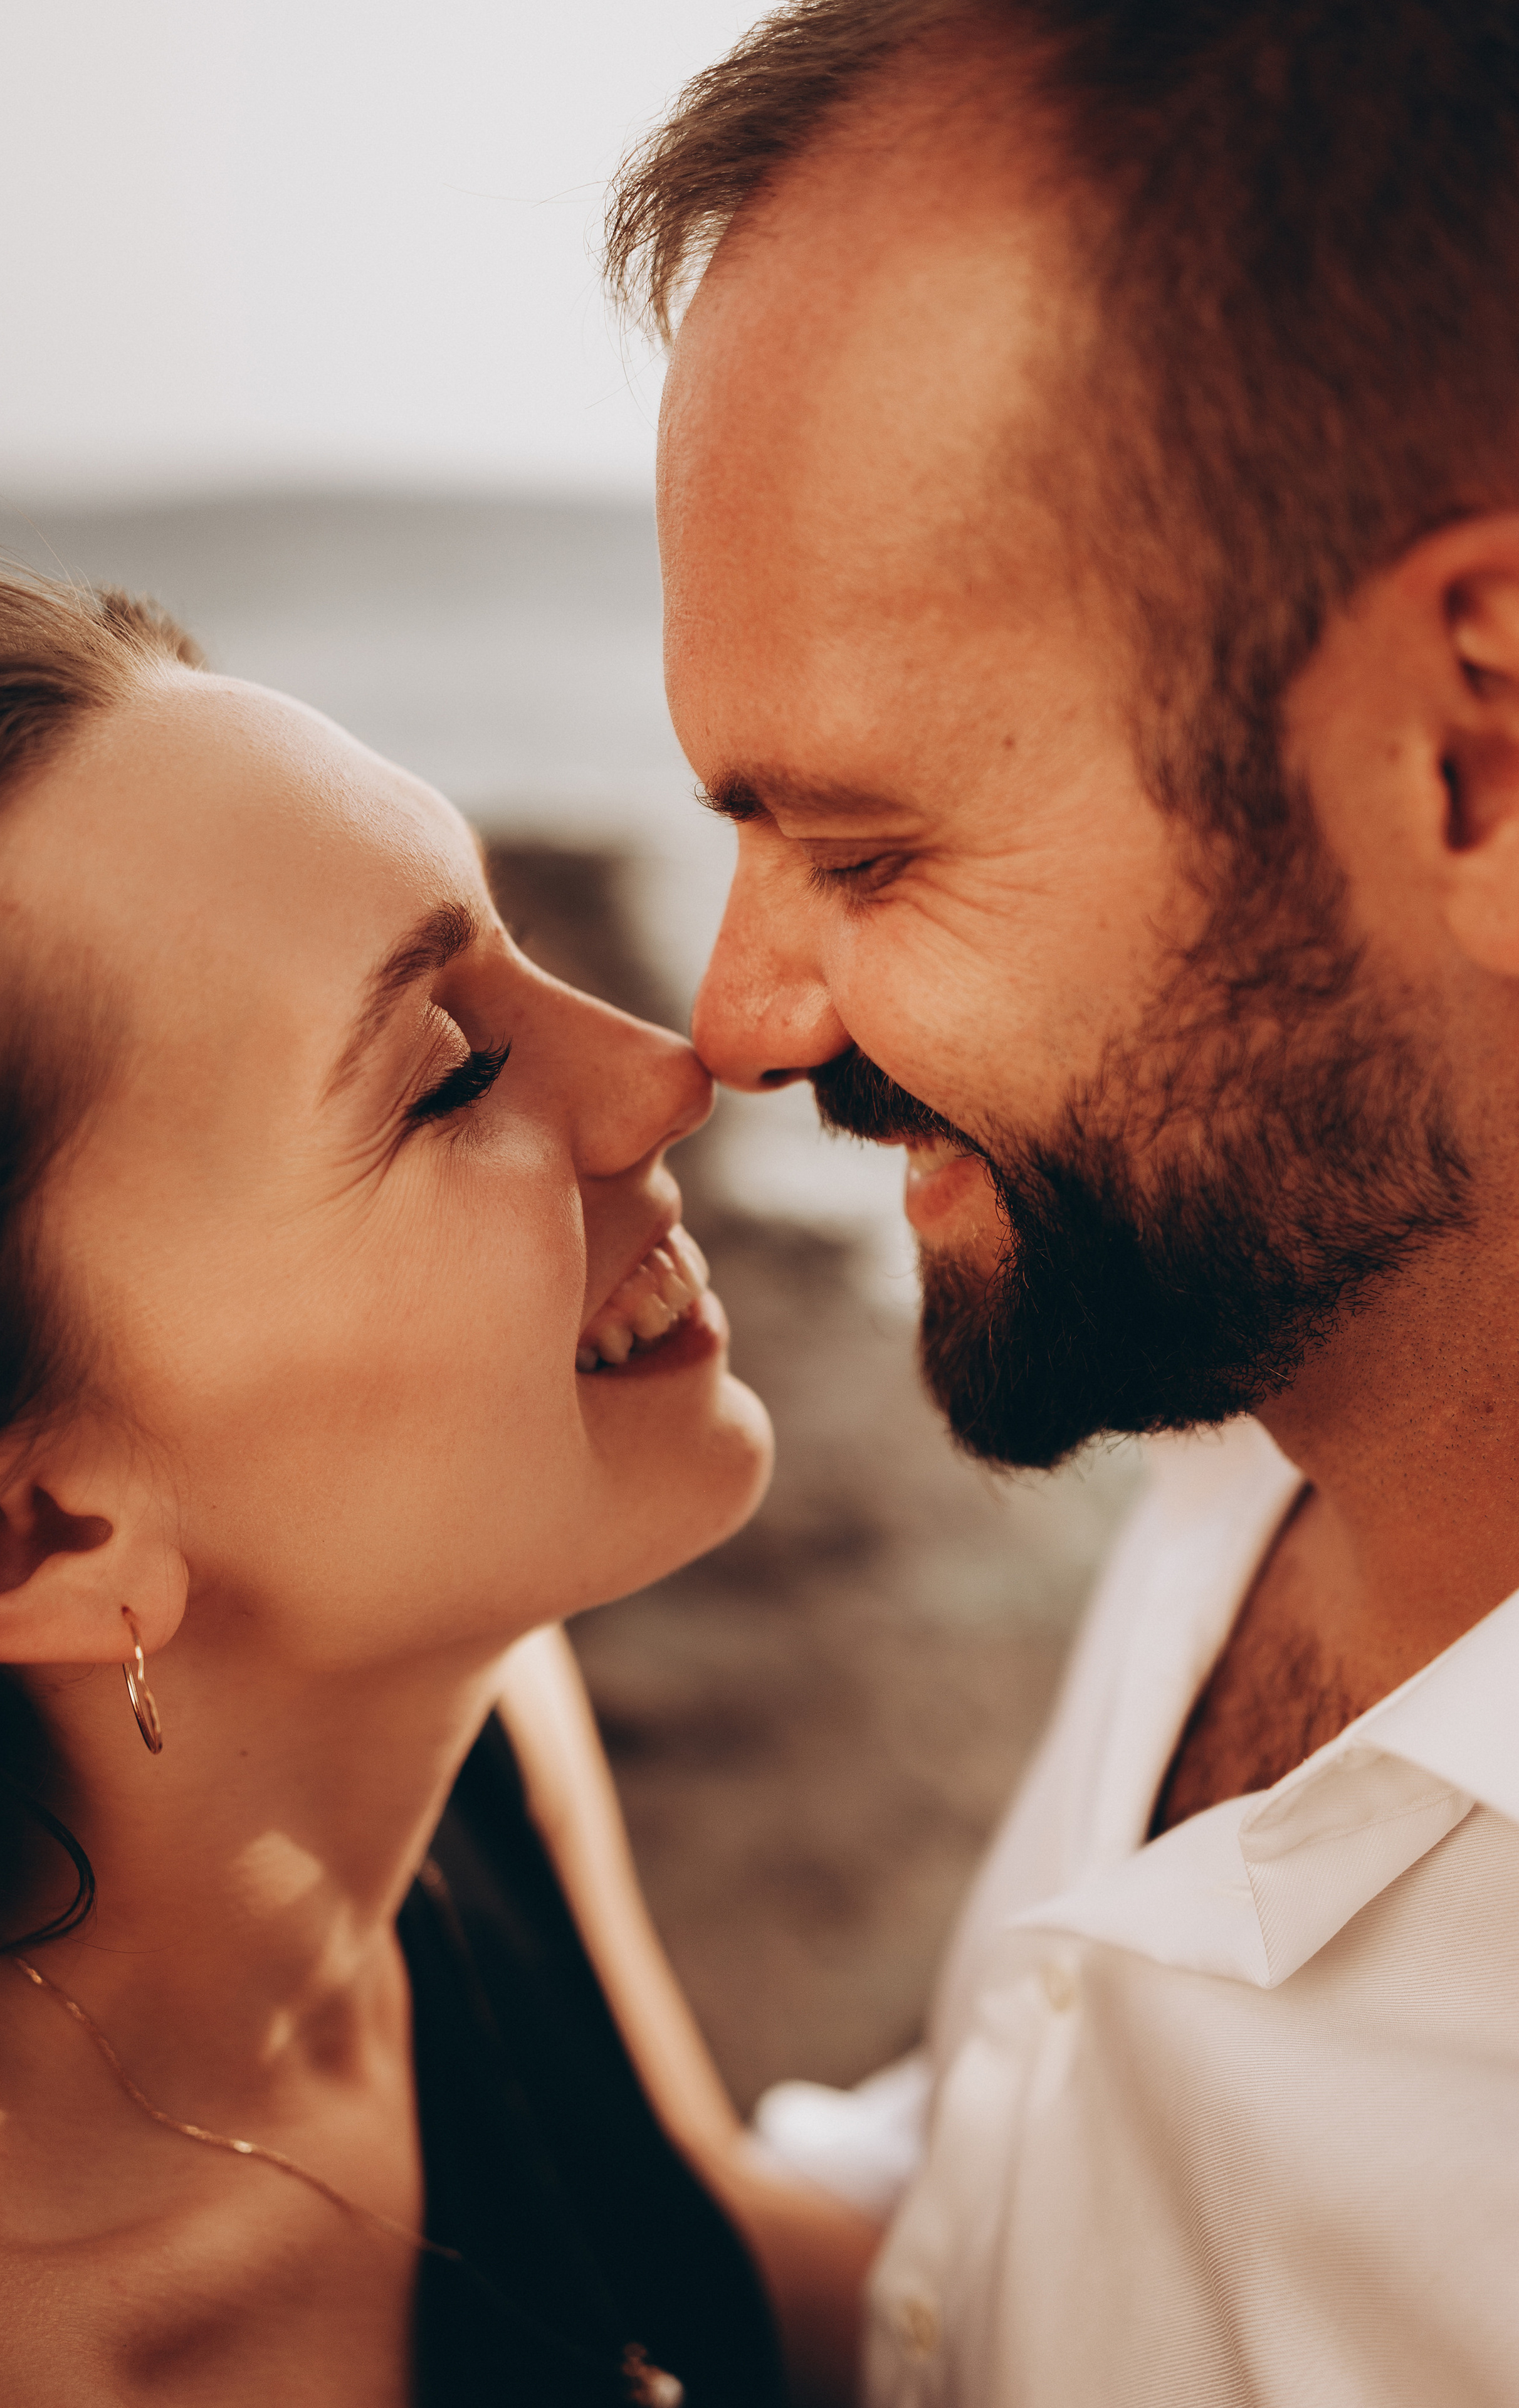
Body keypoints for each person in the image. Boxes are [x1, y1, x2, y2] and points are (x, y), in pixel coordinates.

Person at [607, 1, 1519, 2400]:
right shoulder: (1264, 1377)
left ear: (1480, 756)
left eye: (865, 850)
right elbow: (1000, 2239)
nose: (735, 1021)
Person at [0, 544, 878, 2408]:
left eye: (512, 936)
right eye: (444, 1079)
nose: (667, 1074)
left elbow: (742, 2273)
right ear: (36, 1533)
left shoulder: (479, 1722)